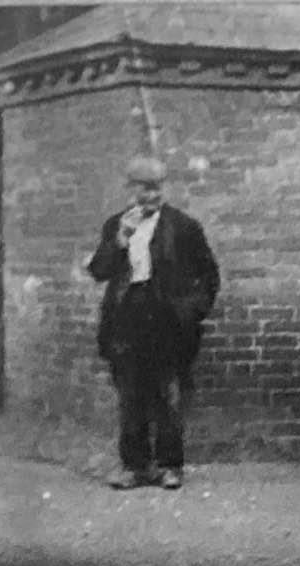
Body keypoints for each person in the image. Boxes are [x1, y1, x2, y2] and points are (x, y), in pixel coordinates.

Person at [88, 156, 220, 490]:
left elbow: (208, 275)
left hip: (168, 319)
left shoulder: (184, 227)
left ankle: (169, 465)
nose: (151, 195)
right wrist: (120, 239)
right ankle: (134, 467)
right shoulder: (116, 224)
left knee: (168, 394)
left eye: (157, 188)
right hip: (127, 318)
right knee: (130, 396)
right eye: (144, 188)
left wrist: (190, 311)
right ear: (130, 189)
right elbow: (99, 271)